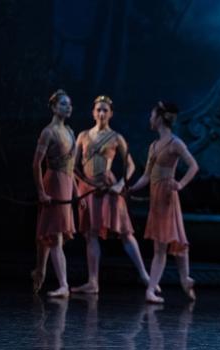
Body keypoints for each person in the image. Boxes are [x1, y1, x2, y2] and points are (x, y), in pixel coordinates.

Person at [71, 95, 152, 294]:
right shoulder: (83, 136)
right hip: (88, 188)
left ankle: (146, 277)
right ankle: (93, 282)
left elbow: (130, 165)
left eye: (105, 110)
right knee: (90, 233)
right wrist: (79, 188)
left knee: (125, 232)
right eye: (98, 109)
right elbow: (73, 166)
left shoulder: (116, 137)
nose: (101, 113)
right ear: (93, 112)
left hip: (108, 187)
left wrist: (120, 183)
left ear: (111, 114)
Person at [129, 102, 199, 303]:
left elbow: (193, 166)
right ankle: (182, 280)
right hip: (156, 198)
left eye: (152, 115)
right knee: (165, 244)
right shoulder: (153, 146)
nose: (150, 119)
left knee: (167, 243)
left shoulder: (175, 143)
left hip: (167, 197)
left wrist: (180, 184)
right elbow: (146, 176)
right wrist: (131, 188)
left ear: (159, 118)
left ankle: (156, 288)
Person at [32, 89, 79, 297]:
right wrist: (41, 193)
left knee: (51, 233)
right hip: (53, 184)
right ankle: (63, 285)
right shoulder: (48, 132)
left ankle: (40, 271)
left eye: (69, 104)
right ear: (53, 107)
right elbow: (36, 164)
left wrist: (76, 192)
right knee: (55, 235)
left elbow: (71, 167)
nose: (67, 107)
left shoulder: (70, 131)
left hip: (66, 185)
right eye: (63, 104)